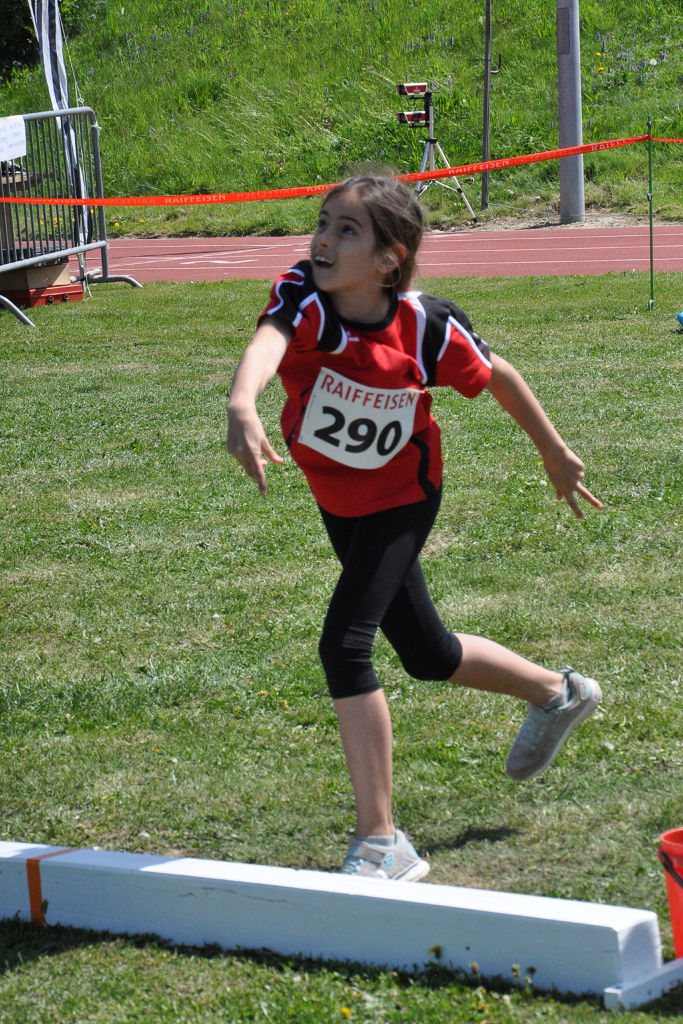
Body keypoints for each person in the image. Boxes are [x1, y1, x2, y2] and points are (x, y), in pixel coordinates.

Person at [227, 174, 603, 882]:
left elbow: (496, 375)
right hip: (339, 497)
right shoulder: (304, 297)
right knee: (428, 653)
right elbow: (269, 342)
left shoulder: (425, 326)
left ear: (388, 258)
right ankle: (558, 693)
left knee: (345, 645)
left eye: (347, 230)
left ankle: (381, 843)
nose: (323, 239)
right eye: (323, 222)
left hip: (403, 497)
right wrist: (242, 401)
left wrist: (553, 452)